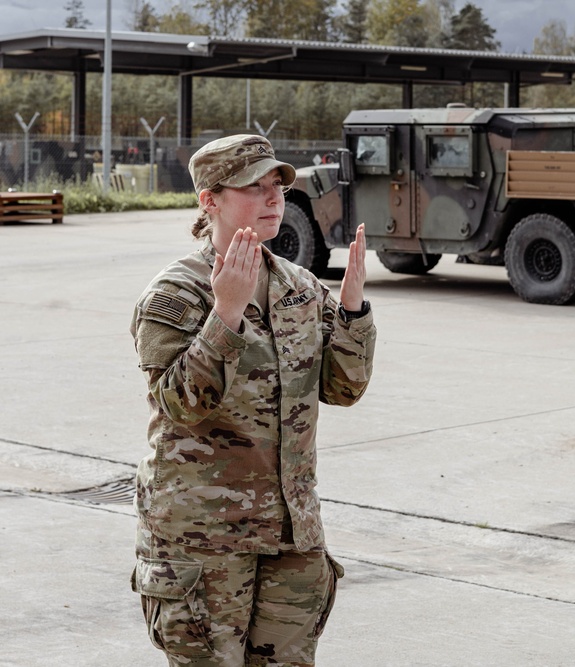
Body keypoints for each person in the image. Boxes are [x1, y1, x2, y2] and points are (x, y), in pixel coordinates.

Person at [128, 134, 375, 667]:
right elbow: (180, 403)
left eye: (277, 187)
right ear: (209, 200)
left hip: (291, 532)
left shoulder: (299, 287)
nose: (273, 200)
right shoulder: (176, 294)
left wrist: (353, 312)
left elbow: (343, 388)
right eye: (253, 188)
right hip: (203, 538)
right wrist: (227, 314)